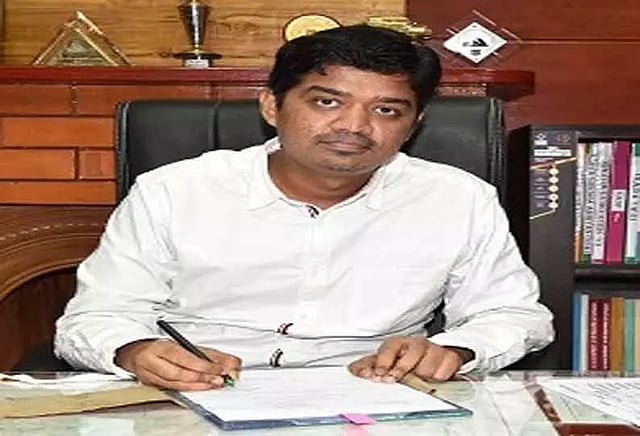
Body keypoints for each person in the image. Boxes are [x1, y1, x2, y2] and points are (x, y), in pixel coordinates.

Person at [55, 24, 554, 391]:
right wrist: (135, 351)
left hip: (375, 397)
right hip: (195, 393)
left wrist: (455, 349)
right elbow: (96, 317)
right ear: (272, 106)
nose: (354, 126)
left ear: (413, 124)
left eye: (386, 110)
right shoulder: (173, 191)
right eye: (326, 102)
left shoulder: (459, 199)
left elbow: (514, 314)